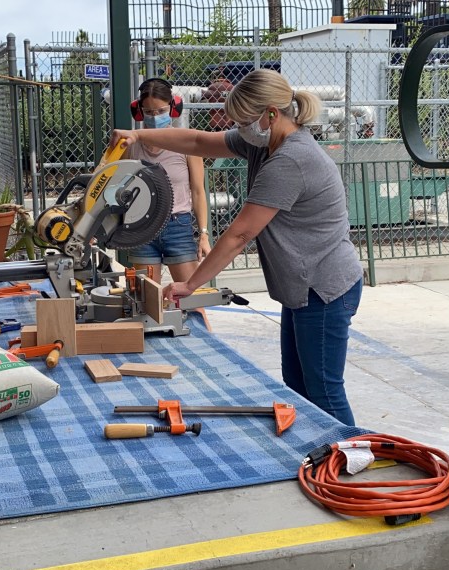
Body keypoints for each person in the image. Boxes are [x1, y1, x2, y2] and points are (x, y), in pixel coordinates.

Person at [110, 69, 363, 426]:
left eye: (244, 122)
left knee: (323, 390)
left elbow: (239, 234)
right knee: (295, 384)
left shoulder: (290, 159)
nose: (240, 129)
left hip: (323, 287)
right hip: (302, 288)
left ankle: (351, 459)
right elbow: (198, 142)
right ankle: (321, 453)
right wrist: (136, 134)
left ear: (270, 115)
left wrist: (191, 284)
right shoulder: (264, 141)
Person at [125, 78, 212, 282]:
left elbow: (198, 191)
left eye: (161, 111)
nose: (155, 117)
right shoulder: (130, 146)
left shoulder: (187, 144)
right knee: (146, 300)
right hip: (142, 225)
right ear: (139, 111)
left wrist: (204, 234)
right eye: (149, 112)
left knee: (191, 297)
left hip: (178, 225)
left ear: (173, 108)